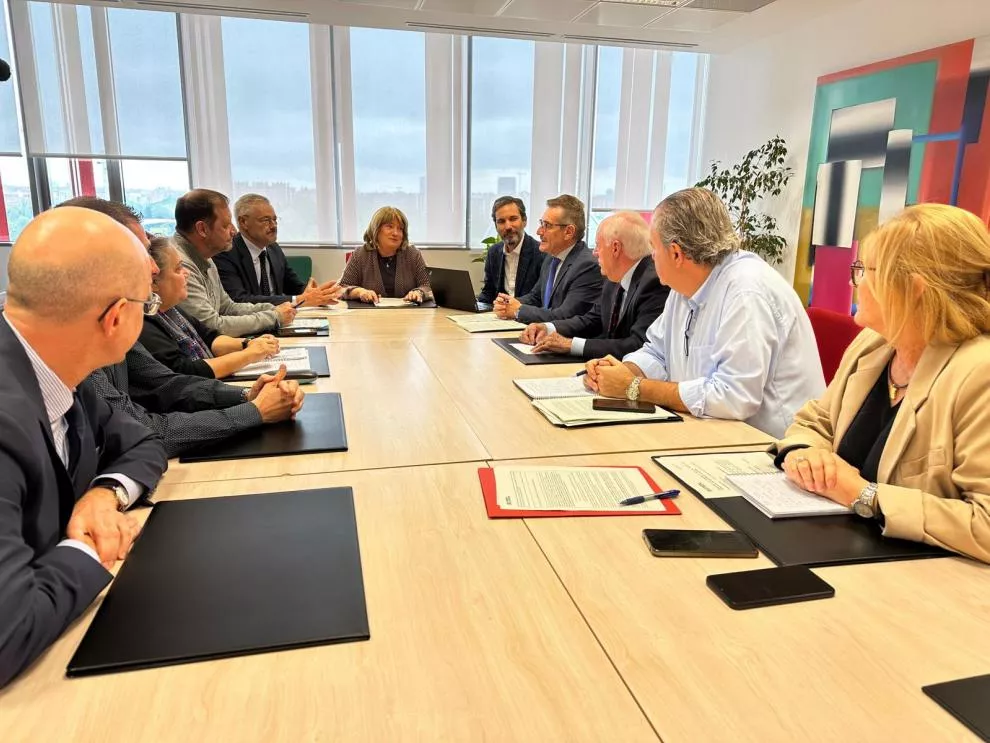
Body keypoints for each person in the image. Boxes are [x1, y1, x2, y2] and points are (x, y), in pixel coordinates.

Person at [0, 207, 168, 688]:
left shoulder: (54, 367)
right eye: (147, 304)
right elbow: (6, 636)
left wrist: (103, 495)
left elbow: (142, 439)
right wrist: (90, 544)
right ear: (116, 317)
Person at [772, 204, 990, 562]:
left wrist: (864, 495)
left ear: (915, 287)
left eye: (863, 270)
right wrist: (805, 454)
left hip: (928, 586)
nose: (852, 282)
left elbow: (984, 523)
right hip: (839, 549)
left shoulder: (978, 372)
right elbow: (815, 422)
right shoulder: (874, 344)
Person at [584, 188, 824, 438]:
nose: (651, 257)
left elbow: (733, 396)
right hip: (711, 432)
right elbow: (657, 351)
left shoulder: (746, 291)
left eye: (653, 248)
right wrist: (623, 372)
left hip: (771, 447)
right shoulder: (682, 287)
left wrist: (634, 388)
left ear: (676, 253)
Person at [519, 211, 669, 359]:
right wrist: (548, 327)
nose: (595, 253)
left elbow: (638, 344)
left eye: (598, 246)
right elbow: (593, 319)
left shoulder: (654, 283)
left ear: (615, 248)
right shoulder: (614, 278)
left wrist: (571, 345)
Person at [141, 235, 281, 379]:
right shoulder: (147, 322)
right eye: (178, 269)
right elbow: (185, 371)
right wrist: (249, 354)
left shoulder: (172, 309)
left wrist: (248, 343)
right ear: (154, 282)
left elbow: (211, 338)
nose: (187, 273)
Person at [173, 189, 296, 337]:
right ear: (202, 229)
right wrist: (274, 317)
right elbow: (212, 326)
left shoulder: (206, 256)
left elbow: (227, 307)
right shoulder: (179, 264)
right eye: (225, 225)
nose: (234, 231)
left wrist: (273, 309)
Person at [215, 193, 342, 307]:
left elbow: (294, 286)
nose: (273, 226)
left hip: (280, 319)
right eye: (265, 220)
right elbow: (238, 300)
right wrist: (298, 299)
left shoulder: (273, 248)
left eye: (275, 220)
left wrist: (317, 293)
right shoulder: (226, 253)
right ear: (243, 222)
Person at [493, 194, 601, 323]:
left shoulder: (587, 266)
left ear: (569, 232)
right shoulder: (551, 258)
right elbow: (536, 297)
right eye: (541, 224)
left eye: (547, 226)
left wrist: (518, 310)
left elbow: (565, 316)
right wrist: (508, 304)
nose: (539, 231)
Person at [340, 206, 433, 304]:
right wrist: (360, 292)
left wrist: (419, 292)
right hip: (369, 315)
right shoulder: (360, 254)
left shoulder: (413, 254)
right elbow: (342, 288)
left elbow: (428, 286)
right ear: (376, 229)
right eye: (389, 226)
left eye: (400, 229)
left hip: (407, 314)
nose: (396, 233)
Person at [476, 196, 545, 307]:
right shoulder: (493, 253)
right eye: (501, 221)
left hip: (527, 318)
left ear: (524, 221)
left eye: (513, 219)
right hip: (498, 318)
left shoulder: (541, 253)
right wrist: (474, 306)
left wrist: (509, 305)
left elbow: (539, 297)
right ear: (496, 226)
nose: (508, 226)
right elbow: (488, 293)